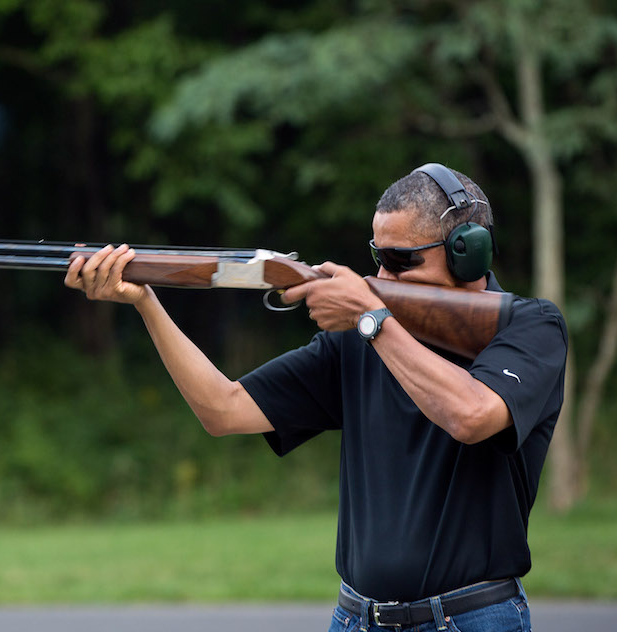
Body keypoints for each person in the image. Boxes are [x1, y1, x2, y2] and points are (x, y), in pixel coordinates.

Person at [64, 164, 567, 632]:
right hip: (357, 617)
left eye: (400, 260)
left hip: (468, 618)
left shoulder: (529, 327)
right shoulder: (359, 338)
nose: (384, 277)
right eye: (377, 257)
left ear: (468, 251)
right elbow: (222, 410)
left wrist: (371, 319)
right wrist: (146, 302)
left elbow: (471, 414)